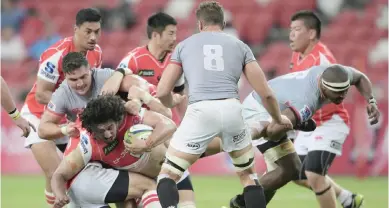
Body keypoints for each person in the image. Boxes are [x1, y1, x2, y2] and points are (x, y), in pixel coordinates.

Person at [155, 2, 292, 208]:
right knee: (248, 177)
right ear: (223, 22)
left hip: (200, 110)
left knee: (168, 174)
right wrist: (277, 118)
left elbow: (163, 91)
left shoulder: (184, 45)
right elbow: (267, 94)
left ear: (200, 24)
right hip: (232, 109)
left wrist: (169, 103)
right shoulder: (240, 46)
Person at [229, 64, 379, 208]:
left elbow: (360, 77)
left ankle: (245, 203)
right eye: (338, 93)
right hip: (259, 112)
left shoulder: (334, 74)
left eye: (345, 91)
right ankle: (242, 202)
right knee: (290, 169)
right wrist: (297, 123)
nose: (343, 96)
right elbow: (272, 132)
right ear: (324, 88)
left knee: (283, 172)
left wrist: (371, 100)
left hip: (269, 103)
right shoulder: (306, 102)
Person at [20, 8, 103, 207]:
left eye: (97, 31)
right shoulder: (55, 55)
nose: (93, 37)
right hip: (38, 117)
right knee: (56, 172)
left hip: (70, 118)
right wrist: (73, 108)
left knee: (85, 170)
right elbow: (41, 94)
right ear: (76, 29)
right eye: (88, 31)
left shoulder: (96, 53)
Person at [51, 95, 182, 208]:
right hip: (84, 186)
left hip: (169, 167)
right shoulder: (89, 144)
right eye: (101, 131)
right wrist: (59, 195)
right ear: (92, 131)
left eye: (109, 127)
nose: (107, 134)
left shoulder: (128, 116)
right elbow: (59, 174)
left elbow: (169, 125)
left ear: (116, 120)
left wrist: (146, 144)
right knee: (149, 186)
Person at [289, 10, 364, 208]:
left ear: (311, 34)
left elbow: (335, 96)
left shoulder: (322, 62)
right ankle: (347, 198)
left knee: (314, 174)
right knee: (294, 174)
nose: (291, 34)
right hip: (310, 124)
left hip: (330, 122)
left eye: (297, 29)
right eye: (290, 30)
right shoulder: (297, 56)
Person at [38, 52, 170, 141]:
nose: (80, 83)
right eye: (73, 79)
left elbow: (136, 82)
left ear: (90, 70)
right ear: (65, 77)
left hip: (120, 134)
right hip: (89, 142)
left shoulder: (102, 76)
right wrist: (65, 130)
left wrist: (135, 100)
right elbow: (42, 130)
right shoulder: (62, 94)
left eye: (84, 77)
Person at [117, 12, 186, 124]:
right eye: (170, 34)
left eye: (175, 34)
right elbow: (115, 91)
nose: (174, 38)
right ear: (155, 35)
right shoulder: (133, 60)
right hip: (144, 122)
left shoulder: (176, 61)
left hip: (171, 121)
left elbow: (180, 94)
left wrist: (185, 121)